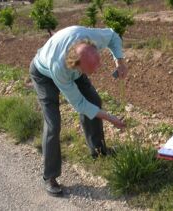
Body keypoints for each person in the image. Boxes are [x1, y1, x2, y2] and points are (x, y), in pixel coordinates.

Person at [29, 25, 127, 196]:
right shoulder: (59, 68)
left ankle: (98, 150)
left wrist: (120, 61)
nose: (96, 71)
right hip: (43, 74)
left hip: (73, 69)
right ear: (76, 65)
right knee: (53, 124)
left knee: (94, 100)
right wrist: (111, 118)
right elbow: (80, 104)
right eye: (92, 68)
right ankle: (49, 176)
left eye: (97, 64)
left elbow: (113, 36)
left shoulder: (92, 38)